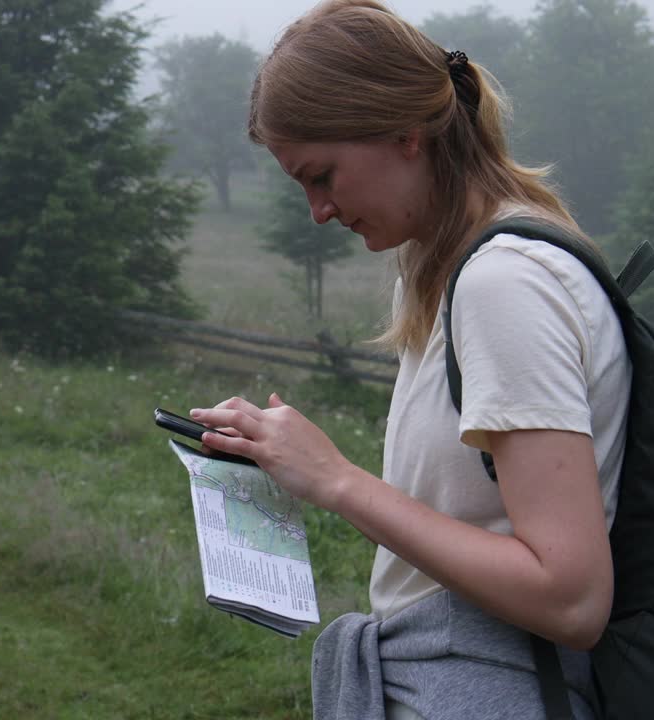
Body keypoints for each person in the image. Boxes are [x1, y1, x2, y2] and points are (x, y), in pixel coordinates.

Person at [189, 1, 631, 718]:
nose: (318, 211)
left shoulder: (503, 282)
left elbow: (571, 596)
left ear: (405, 133)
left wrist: (335, 480)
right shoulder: (451, 269)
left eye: (323, 174)